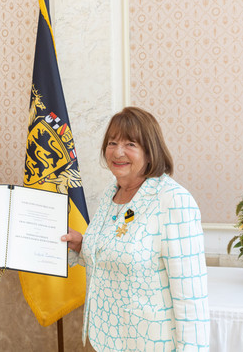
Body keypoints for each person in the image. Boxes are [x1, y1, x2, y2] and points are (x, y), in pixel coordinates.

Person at [62, 107, 210, 351]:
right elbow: (115, 253)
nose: (118, 152)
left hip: (149, 343)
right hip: (103, 339)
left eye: (130, 143)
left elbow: (191, 297)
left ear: (150, 152)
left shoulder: (173, 201)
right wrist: (81, 244)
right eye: (112, 142)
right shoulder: (112, 194)